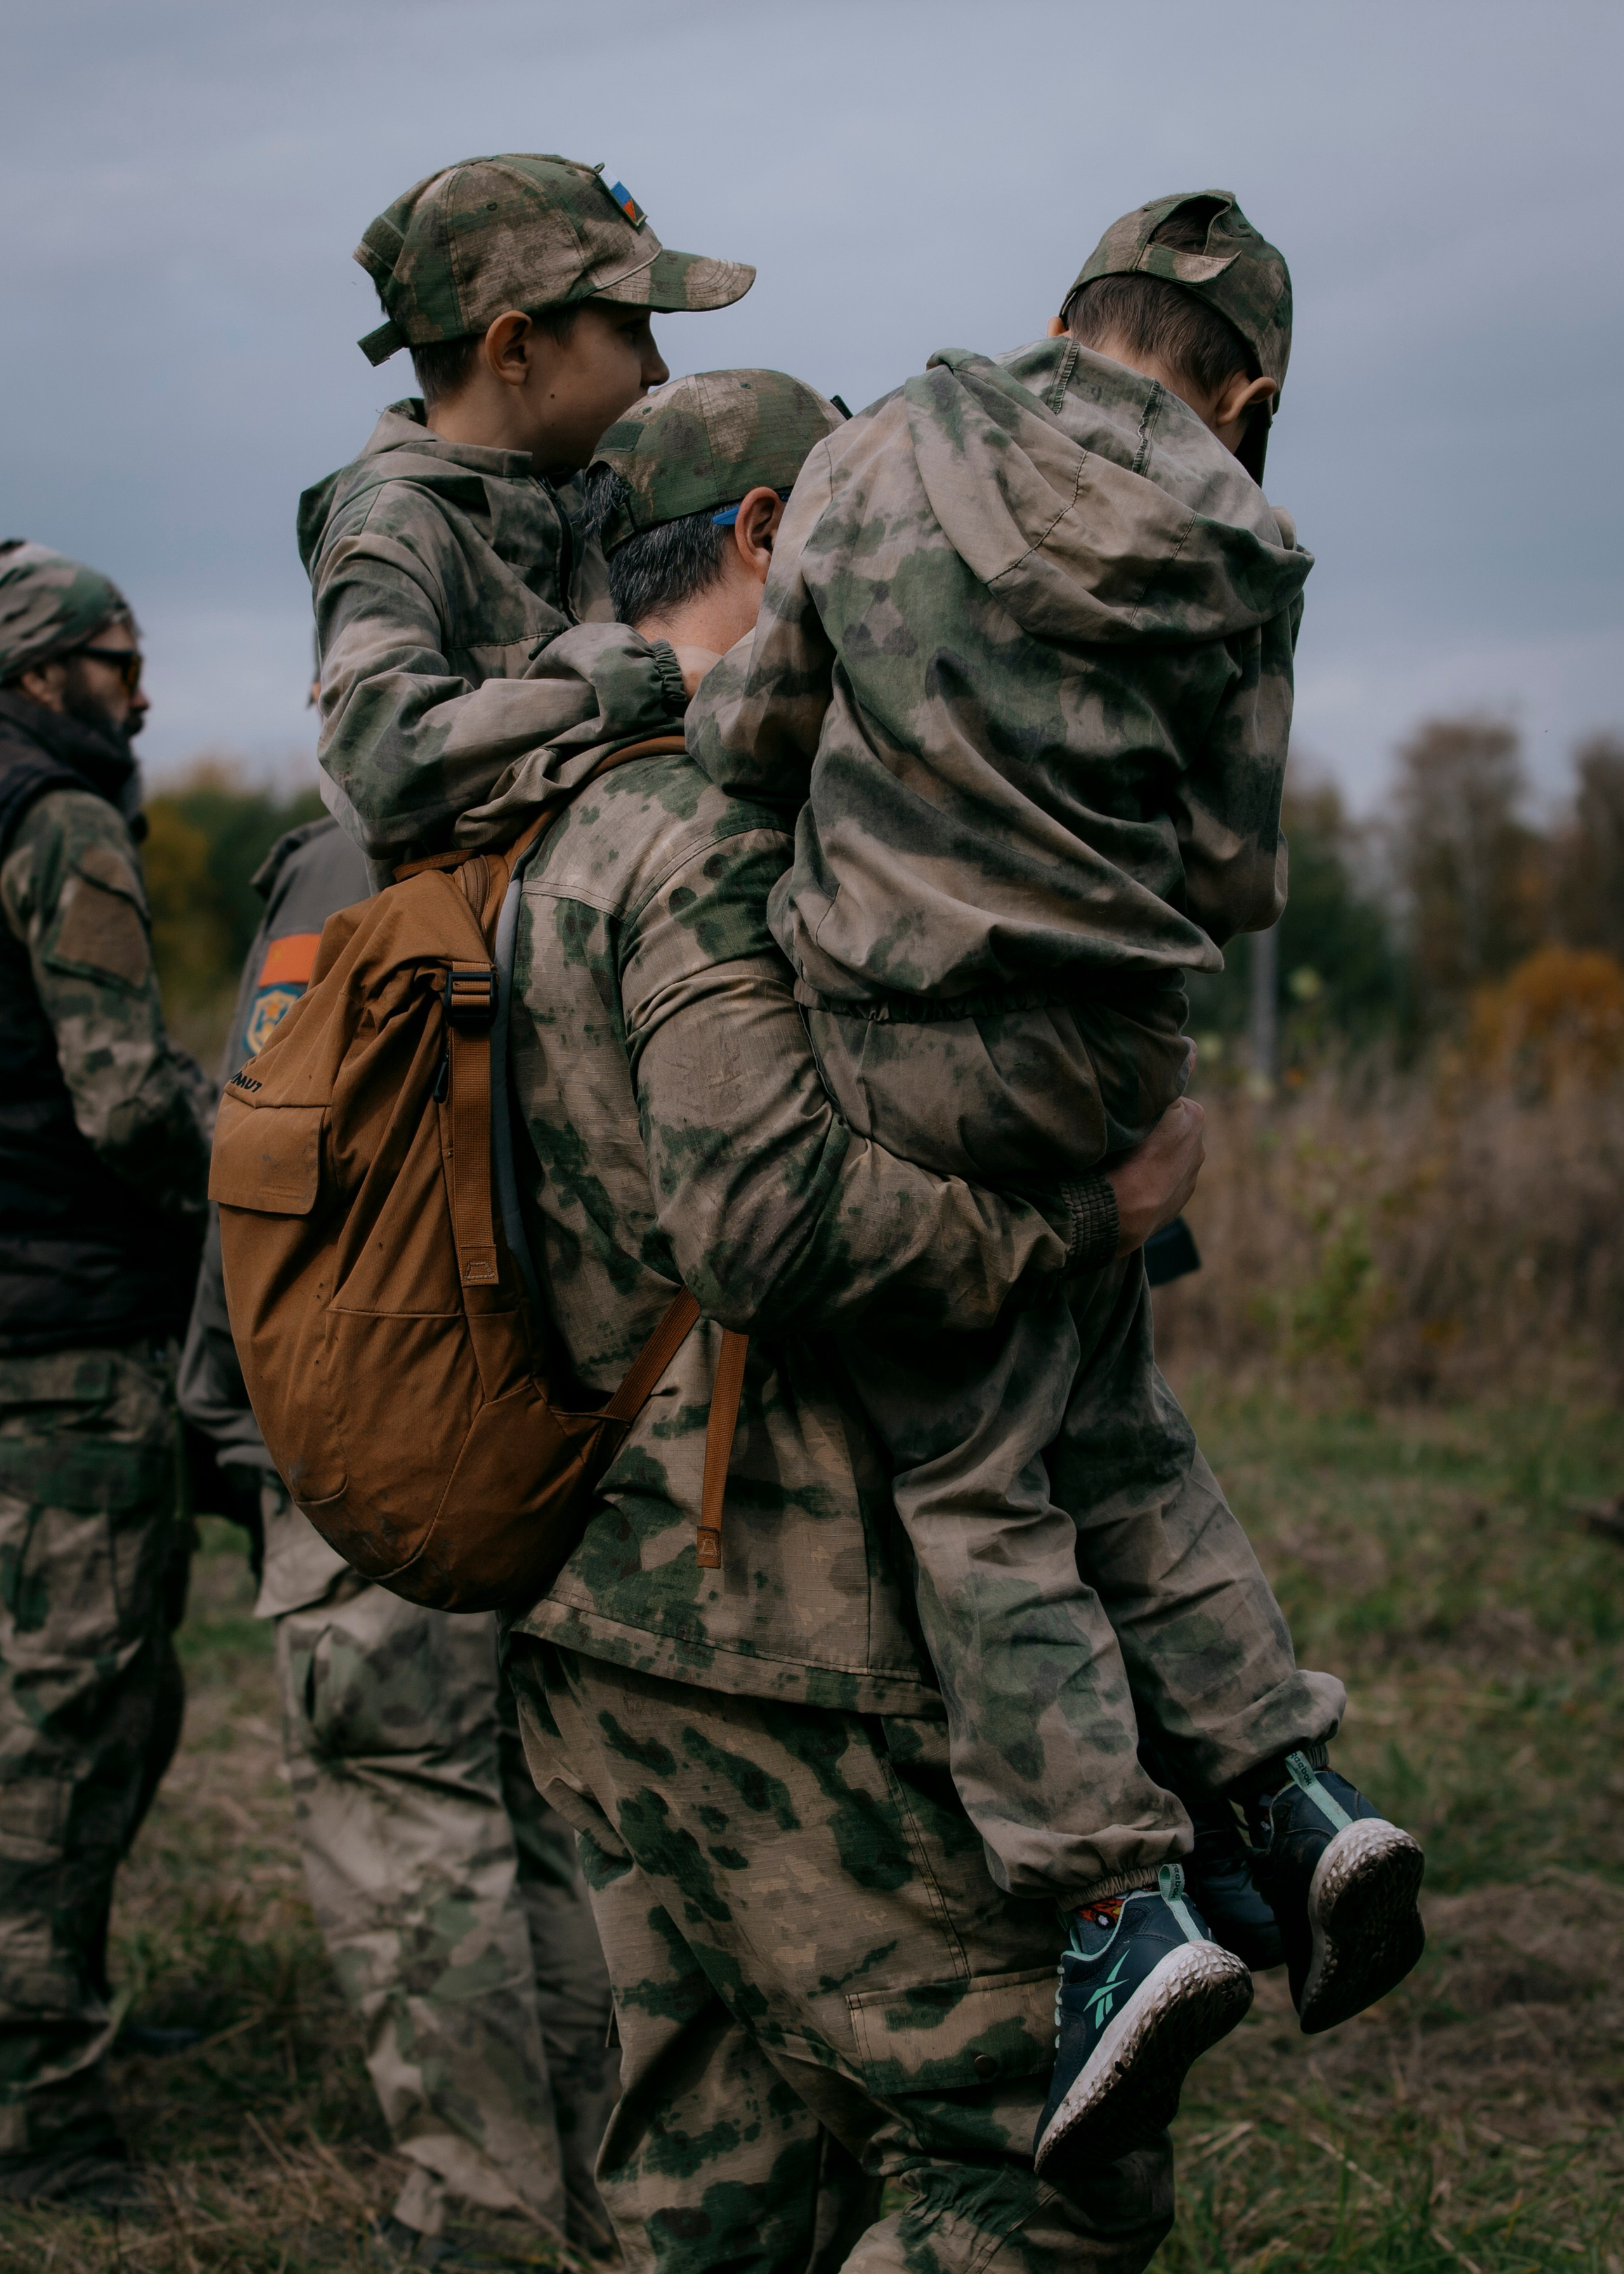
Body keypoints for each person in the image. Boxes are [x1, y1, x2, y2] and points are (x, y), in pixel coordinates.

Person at [322, 365, 1255, 2271]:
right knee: (1045, 2171)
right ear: (769, 537)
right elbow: (771, 1217)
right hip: (792, 1639)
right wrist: (1090, 1219)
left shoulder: (523, 817)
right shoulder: (723, 833)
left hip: (598, 1613)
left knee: (704, 2188)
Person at [684, 192, 1425, 2192]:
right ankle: (1283, 1786)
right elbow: (1235, 871)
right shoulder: (1250, 544)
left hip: (912, 1041)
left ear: (1060, 314)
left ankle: (1116, 1901)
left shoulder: (883, 446)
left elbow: (756, 728)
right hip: (1113, 1056)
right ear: (1244, 390)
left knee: (972, 1481)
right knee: (1113, 1418)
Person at [178, 812, 618, 2259]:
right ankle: (598, 2201)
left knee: (407, 1824)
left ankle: (476, 2224)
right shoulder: (620, 816)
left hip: (379, 1434)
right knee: (532, 1830)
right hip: (546, 1440)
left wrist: (232, 1404)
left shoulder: (354, 853)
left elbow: (269, 1134)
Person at [0, 541, 210, 2209]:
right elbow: (128, 1101)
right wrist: (271, 1164)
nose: (138, 694)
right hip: (63, 1356)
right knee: (68, 1733)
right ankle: (40, 2112)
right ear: (34, 672)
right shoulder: (60, 823)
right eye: (110, 660)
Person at [303, 151, 753, 884]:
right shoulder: (395, 522)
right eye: (629, 331)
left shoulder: (591, 496)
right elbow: (378, 760)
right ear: (514, 349)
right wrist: (653, 684)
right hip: (495, 979)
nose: (657, 368)